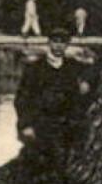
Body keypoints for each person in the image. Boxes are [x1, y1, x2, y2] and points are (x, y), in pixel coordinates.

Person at [14, 31, 93, 168]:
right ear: (49, 43)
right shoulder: (35, 68)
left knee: (64, 162)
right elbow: (21, 99)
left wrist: (86, 81)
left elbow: (94, 70)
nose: (58, 46)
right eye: (55, 42)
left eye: (62, 43)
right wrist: (25, 125)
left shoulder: (72, 66)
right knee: (41, 164)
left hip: (65, 125)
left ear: (67, 45)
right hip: (41, 124)